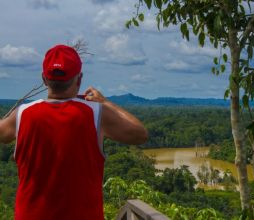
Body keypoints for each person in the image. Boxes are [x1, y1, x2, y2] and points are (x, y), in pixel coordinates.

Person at [0, 44, 148, 220]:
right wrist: (106, 102)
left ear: (44, 79)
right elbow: (140, 134)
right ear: (79, 79)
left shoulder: (21, 115)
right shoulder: (97, 113)